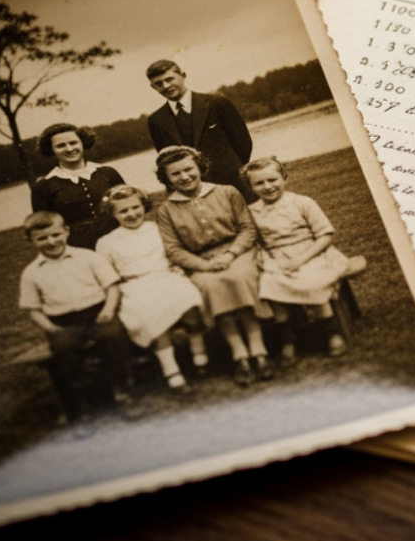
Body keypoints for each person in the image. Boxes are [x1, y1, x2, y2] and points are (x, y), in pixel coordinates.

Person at [152, 145, 273, 386]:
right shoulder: (166, 209)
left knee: (241, 277)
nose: (184, 177)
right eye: (175, 174)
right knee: (210, 285)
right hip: (201, 262)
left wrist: (231, 254)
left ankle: (259, 351)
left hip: (238, 252)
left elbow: (247, 228)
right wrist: (203, 266)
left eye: (189, 169)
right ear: (166, 178)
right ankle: (240, 355)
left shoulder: (227, 192)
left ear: (200, 167)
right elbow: (173, 249)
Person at [17, 211, 132, 425]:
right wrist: (50, 328)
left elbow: (112, 286)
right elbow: (32, 308)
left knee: (112, 337)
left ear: (66, 231)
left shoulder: (87, 257)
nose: (51, 242)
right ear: (30, 240)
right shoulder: (31, 272)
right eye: (42, 238)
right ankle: (76, 404)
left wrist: (108, 310)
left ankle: (119, 387)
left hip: (97, 312)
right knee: (64, 350)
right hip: (62, 322)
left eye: (55, 235)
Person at [94, 185, 208, 395]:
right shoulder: (107, 242)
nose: (131, 214)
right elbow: (107, 274)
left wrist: (177, 267)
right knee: (151, 313)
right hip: (135, 285)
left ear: (143, 206)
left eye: (135, 207)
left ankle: (200, 357)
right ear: (113, 214)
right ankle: (171, 369)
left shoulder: (158, 228)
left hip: (167, 277)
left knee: (189, 299)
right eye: (123, 211)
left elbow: (175, 251)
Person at [242, 157, 353, 362]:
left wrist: (301, 259)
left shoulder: (302, 202)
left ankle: (331, 331)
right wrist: (266, 260)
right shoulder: (252, 212)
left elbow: (325, 234)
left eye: (272, 180)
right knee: (268, 283)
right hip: (276, 256)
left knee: (311, 278)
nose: (267, 187)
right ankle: (287, 338)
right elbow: (255, 242)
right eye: (259, 183)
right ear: (250, 186)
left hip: (312, 252)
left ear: (283, 177)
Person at [145, 59, 254, 201]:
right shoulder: (156, 120)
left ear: (183, 75)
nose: (165, 86)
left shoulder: (216, 102)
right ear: (153, 87)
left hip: (233, 183)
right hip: (192, 191)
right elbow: (166, 160)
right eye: (158, 84)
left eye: (169, 79)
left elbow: (243, 142)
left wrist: (234, 170)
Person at [28, 123, 124, 249]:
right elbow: (44, 229)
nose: (69, 149)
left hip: (120, 241)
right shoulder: (44, 186)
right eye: (60, 146)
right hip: (78, 249)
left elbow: (128, 204)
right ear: (51, 150)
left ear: (82, 143)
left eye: (73, 143)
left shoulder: (108, 173)